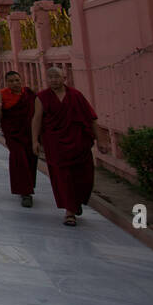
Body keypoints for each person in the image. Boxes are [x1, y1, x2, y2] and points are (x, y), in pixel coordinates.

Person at [31, 66, 100, 227]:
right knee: (63, 178)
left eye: (57, 77)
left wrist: (100, 139)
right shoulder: (42, 97)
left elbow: (91, 118)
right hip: (56, 145)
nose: (53, 80)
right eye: (50, 78)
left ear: (64, 78)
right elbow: (37, 119)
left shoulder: (76, 96)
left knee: (84, 177)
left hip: (78, 144)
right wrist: (35, 140)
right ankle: (70, 211)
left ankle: (76, 203)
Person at [0, 70, 38, 207]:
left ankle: (28, 186)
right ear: (7, 83)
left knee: (30, 159)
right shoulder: (2, 95)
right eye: (11, 81)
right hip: (13, 134)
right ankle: (25, 192)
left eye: (17, 80)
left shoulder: (29, 93)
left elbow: (38, 111)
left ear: (21, 80)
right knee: (19, 159)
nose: (15, 83)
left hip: (29, 132)